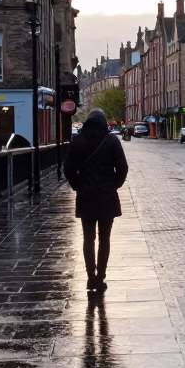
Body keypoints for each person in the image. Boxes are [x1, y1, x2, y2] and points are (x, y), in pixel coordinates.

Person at [64, 108, 129, 293]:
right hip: (107, 196)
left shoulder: (78, 140)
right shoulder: (111, 140)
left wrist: (78, 186)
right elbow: (123, 168)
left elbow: (68, 169)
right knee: (105, 239)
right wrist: (114, 185)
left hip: (86, 196)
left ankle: (90, 276)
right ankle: (101, 276)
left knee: (88, 238)